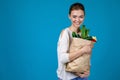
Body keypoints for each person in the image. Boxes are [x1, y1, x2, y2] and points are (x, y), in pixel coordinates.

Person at [56, 2, 93, 80]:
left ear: (84, 17)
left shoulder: (84, 33)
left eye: (81, 17)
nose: (77, 20)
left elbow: (87, 56)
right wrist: (82, 50)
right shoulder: (66, 33)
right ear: (69, 16)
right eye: (74, 17)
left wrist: (87, 70)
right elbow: (62, 58)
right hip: (68, 78)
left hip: (83, 77)